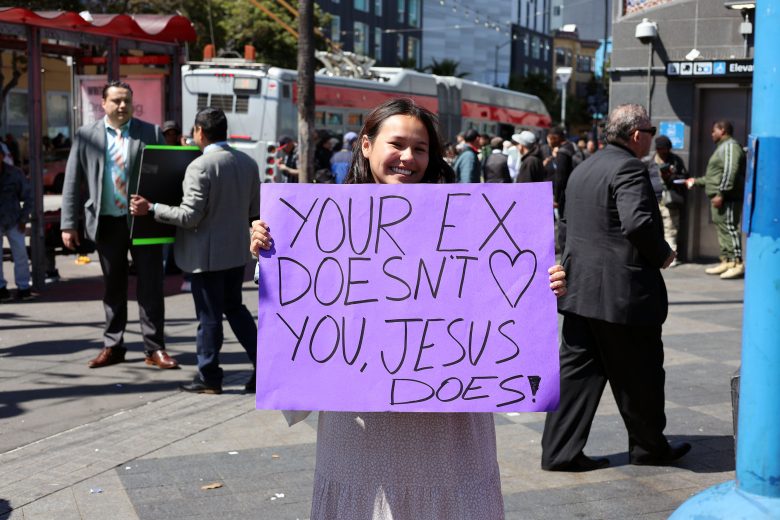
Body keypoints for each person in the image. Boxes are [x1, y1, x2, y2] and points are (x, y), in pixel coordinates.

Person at [250, 98, 568, 519]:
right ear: (366, 145)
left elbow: (501, 300)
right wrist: (269, 257)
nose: (408, 158)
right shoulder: (322, 221)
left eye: (420, 149)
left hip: (449, 430)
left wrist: (541, 287)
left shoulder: (469, 221)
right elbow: (299, 305)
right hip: (361, 431)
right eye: (396, 144)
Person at [540, 104, 690, 472]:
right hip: (622, 299)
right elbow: (637, 223)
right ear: (637, 134)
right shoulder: (629, 168)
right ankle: (649, 448)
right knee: (642, 376)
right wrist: (664, 254)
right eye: (651, 131)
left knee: (576, 377)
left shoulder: (583, 167)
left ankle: (559, 451)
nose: (652, 138)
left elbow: (567, 225)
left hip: (579, 294)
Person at [130, 107, 259, 394]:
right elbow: (253, 210)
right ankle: (262, 366)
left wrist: (151, 208)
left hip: (206, 256)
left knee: (209, 317)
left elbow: (190, 216)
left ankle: (209, 376)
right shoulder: (247, 163)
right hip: (236, 252)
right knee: (235, 309)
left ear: (199, 131)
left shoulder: (200, 167)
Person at [60, 81, 178, 370]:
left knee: (151, 284)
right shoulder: (86, 135)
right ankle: (113, 345)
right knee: (113, 286)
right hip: (107, 222)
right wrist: (68, 224)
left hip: (143, 221)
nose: (122, 106)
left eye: (126, 100)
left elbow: (165, 173)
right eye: (115, 101)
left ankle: (155, 348)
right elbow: (73, 181)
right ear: (103, 103)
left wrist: (158, 209)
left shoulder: (149, 132)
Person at [685, 120, 746, 279]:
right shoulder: (721, 148)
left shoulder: (730, 146)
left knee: (729, 228)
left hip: (727, 198)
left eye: (714, 131)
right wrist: (696, 181)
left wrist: (722, 193)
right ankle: (726, 260)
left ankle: (737, 263)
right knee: (722, 230)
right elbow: (715, 176)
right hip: (719, 197)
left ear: (723, 130)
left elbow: (729, 172)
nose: (712, 134)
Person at [0, 145, 32, 301]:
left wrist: (24, 218)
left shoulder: (15, 173)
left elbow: (28, 196)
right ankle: (1, 288)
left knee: (20, 254)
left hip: (14, 220)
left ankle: (24, 287)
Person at [648, 135, 686, 266]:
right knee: (652, 228)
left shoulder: (676, 161)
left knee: (671, 228)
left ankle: (671, 256)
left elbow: (684, 178)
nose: (661, 151)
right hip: (654, 199)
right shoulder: (650, 161)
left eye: (663, 148)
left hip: (670, 200)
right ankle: (655, 255)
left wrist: (670, 177)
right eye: (659, 149)